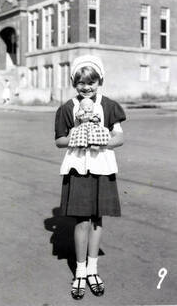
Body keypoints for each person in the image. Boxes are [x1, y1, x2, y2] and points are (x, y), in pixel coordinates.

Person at [55, 54, 126, 300]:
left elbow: (120, 137)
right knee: (82, 222)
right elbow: (59, 140)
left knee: (96, 220)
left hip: (102, 166)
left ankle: (93, 270)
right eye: (80, 82)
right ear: (74, 82)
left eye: (91, 82)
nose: (86, 87)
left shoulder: (109, 106)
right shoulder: (67, 108)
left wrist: (103, 140)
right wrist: (74, 136)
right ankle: (80, 273)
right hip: (78, 168)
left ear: (100, 81)